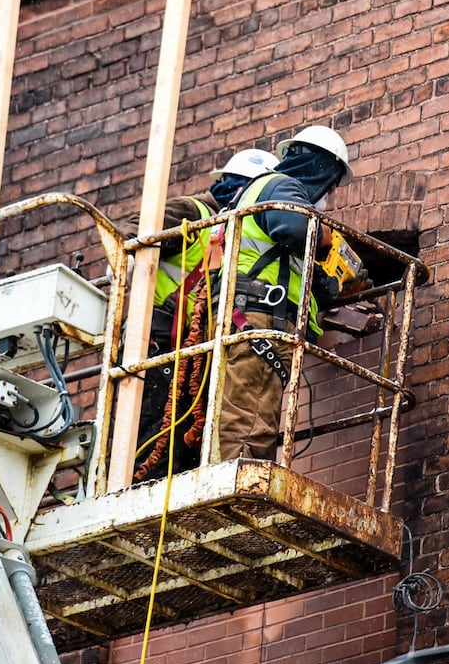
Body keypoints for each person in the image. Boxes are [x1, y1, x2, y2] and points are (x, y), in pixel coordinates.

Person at [217, 125, 366, 461]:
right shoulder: (280, 186)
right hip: (256, 315)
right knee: (250, 412)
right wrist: (327, 238)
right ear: (322, 169)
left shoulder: (266, 192)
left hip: (261, 315)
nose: (328, 197)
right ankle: (240, 482)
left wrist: (328, 285)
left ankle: (247, 471)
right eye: (331, 185)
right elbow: (293, 227)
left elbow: (287, 264)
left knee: (260, 413)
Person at [135, 147, 279, 480]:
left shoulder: (232, 232)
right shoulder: (194, 211)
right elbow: (132, 233)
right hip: (156, 343)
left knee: (181, 443)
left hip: (185, 352)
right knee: (150, 441)